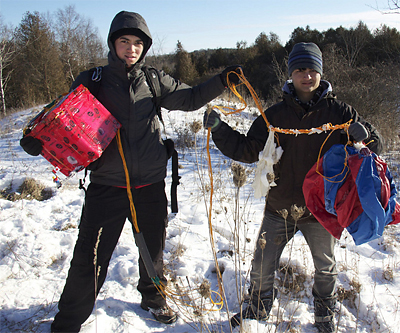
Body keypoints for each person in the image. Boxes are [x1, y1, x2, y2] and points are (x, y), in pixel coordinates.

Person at [20, 11, 240, 333]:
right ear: (113, 43)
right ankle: (68, 322)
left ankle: (152, 296)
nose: (131, 49)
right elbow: (62, 116)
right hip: (106, 185)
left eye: (138, 43)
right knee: (89, 257)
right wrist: (37, 138)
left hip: (149, 184)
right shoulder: (92, 80)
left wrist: (221, 81)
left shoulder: (154, 80)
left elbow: (191, 98)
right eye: (125, 41)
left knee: (153, 250)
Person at [203, 42, 383, 332]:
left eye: (312, 69)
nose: (307, 75)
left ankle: (324, 313)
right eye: (300, 69)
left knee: (326, 268)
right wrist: (220, 128)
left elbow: (371, 149)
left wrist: (367, 136)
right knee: (262, 265)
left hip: (321, 210)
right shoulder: (273, 116)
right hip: (280, 207)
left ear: (320, 73)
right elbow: (250, 150)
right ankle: (258, 308)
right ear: (291, 74)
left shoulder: (340, 112)